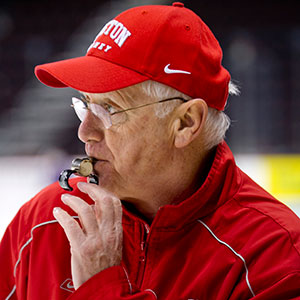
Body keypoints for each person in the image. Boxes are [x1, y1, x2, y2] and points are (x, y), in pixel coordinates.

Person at [1, 2, 300, 299]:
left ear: (185, 123)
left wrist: (100, 288)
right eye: (85, 105)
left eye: (109, 108)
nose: (85, 131)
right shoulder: (44, 221)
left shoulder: (275, 259)